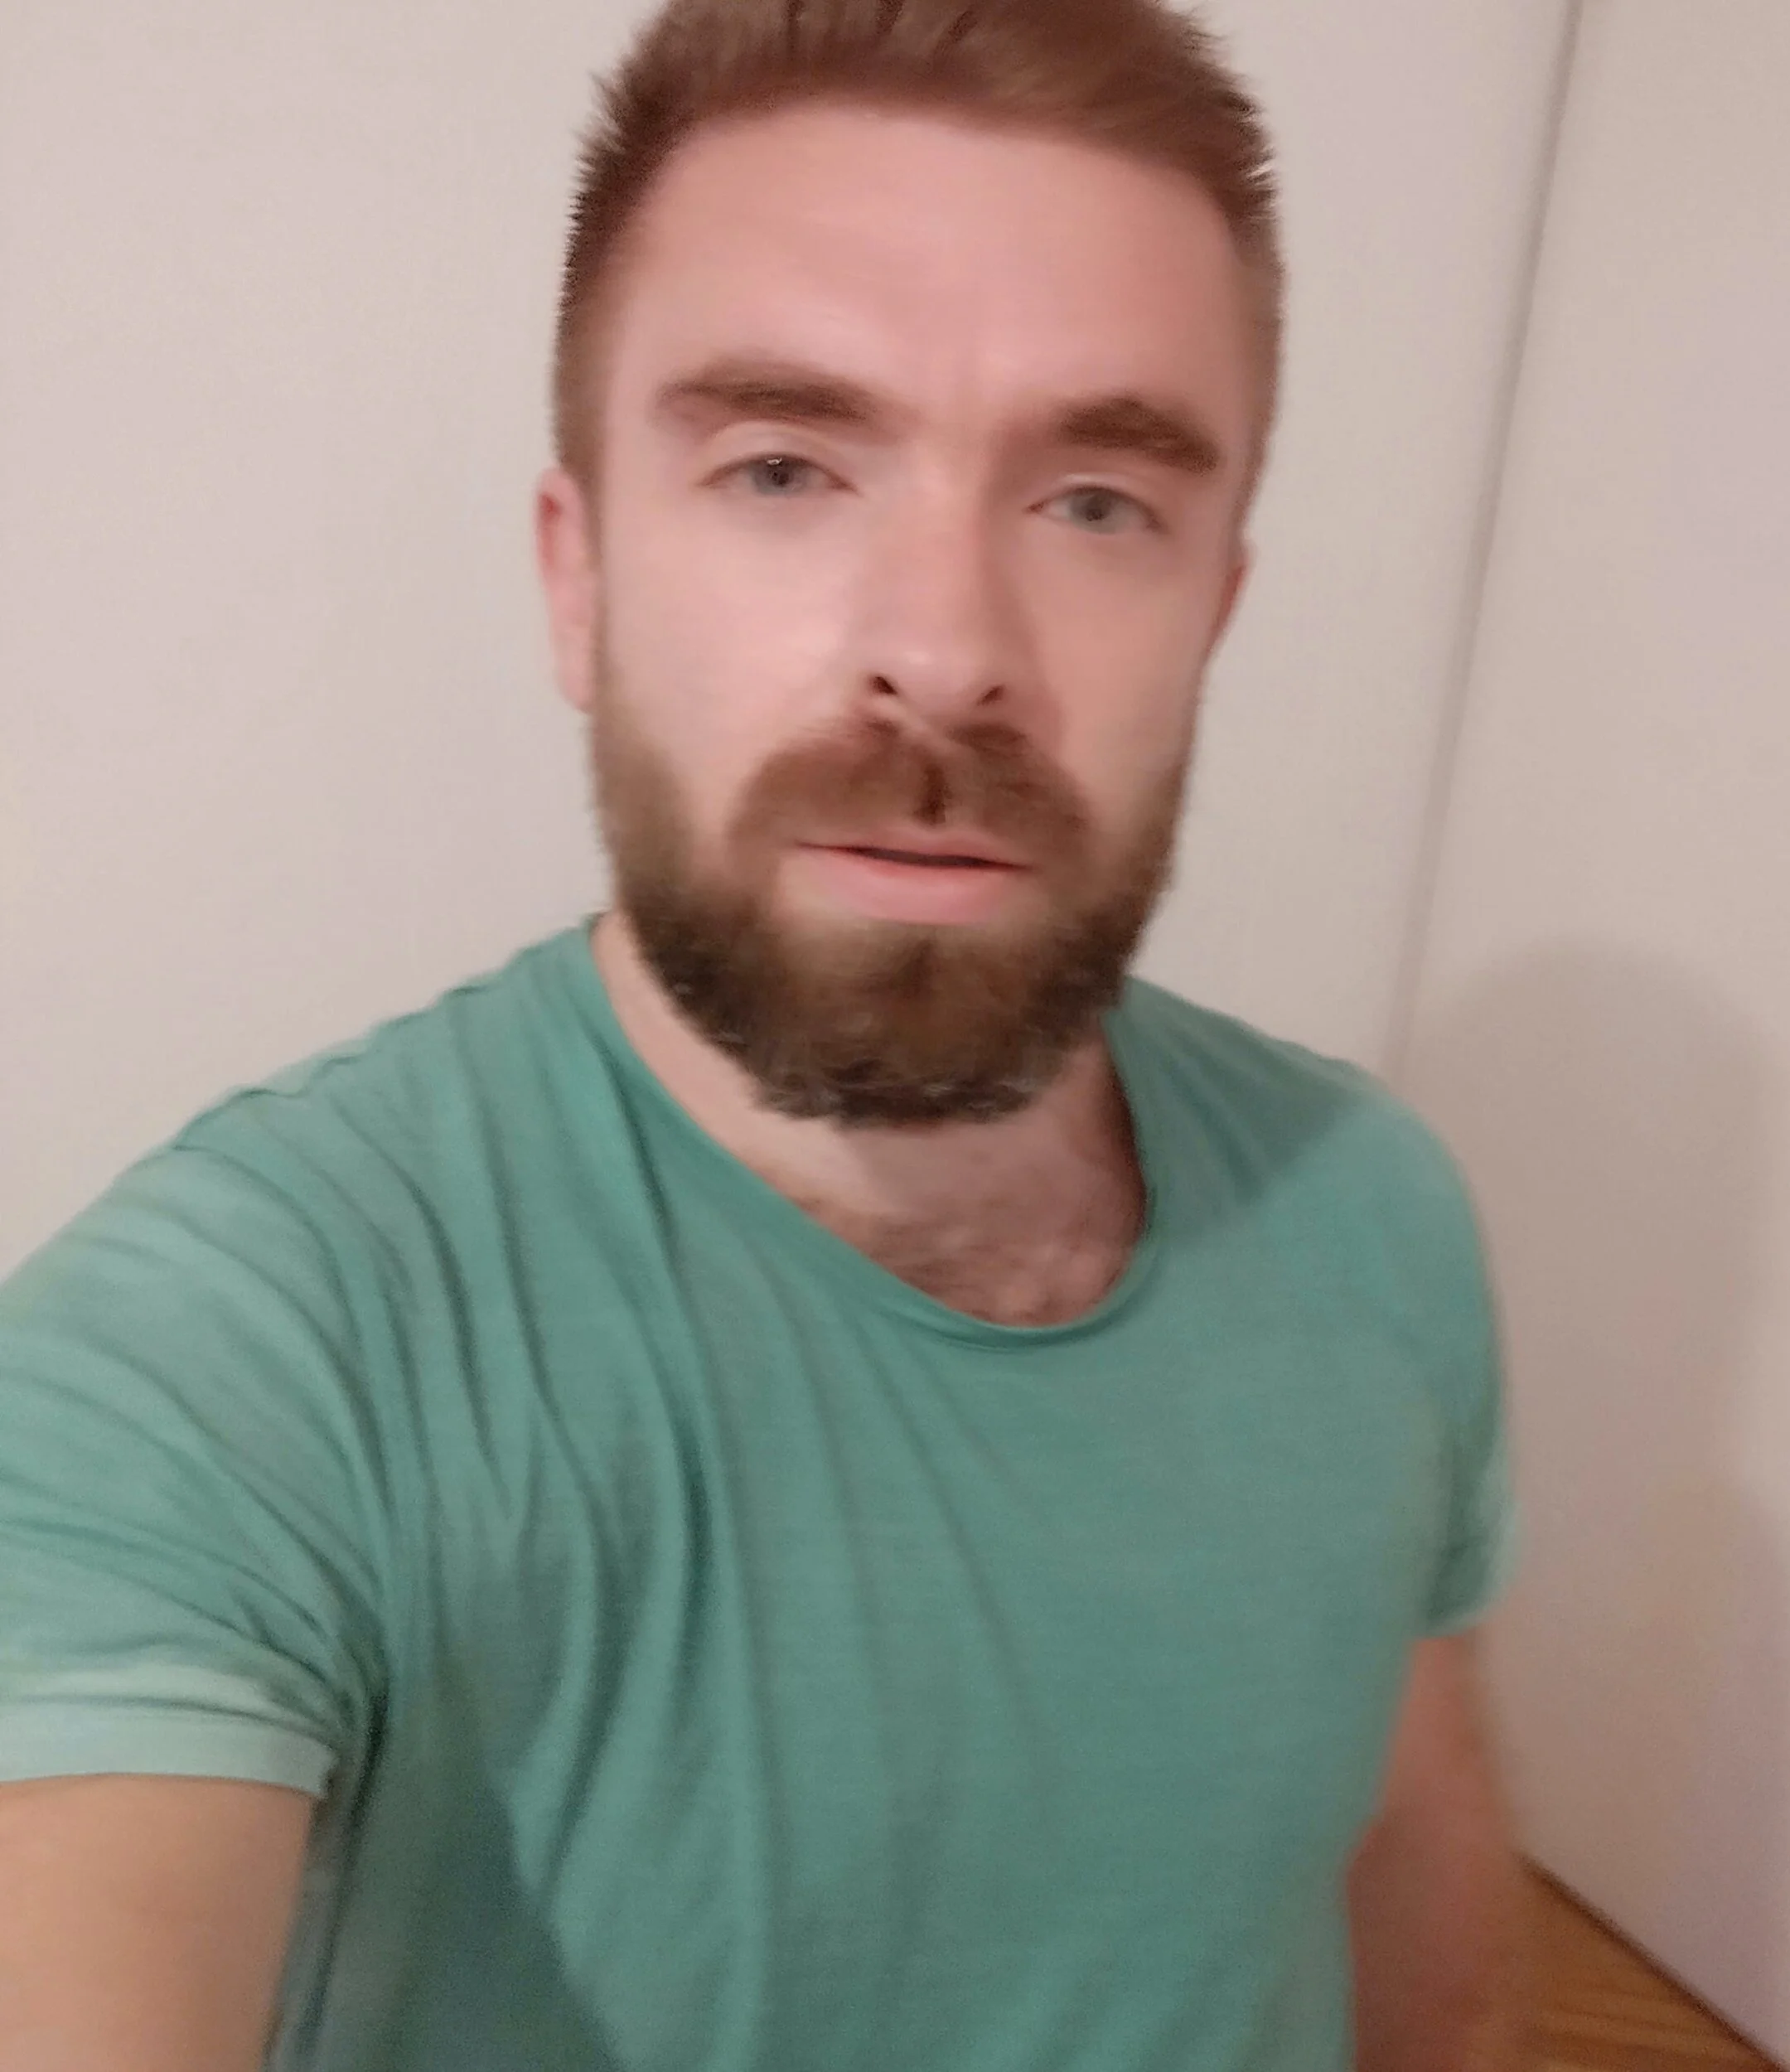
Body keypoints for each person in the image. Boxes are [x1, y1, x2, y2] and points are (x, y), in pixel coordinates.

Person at [0, 1, 1526, 2065]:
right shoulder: (223, 1363)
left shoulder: (1376, 1214)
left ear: (1216, 609)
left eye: (1094, 500)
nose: (945, 651)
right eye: (785, 466)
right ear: (579, 581)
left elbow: (1418, 1919)